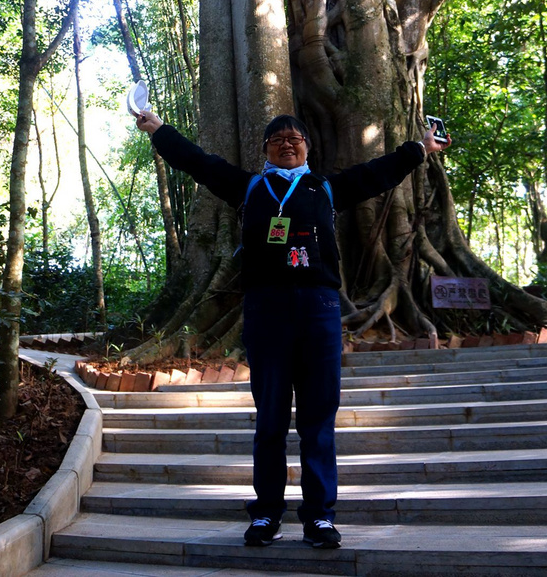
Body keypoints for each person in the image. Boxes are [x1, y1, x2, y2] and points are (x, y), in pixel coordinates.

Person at [136, 108, 450, 549]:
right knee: (270, 419)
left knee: (319, 418)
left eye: (295, 138)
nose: (288, 143)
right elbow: (200, 163)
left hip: (319, 309)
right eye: (278, 139)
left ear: (307, 146)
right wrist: (160, 131)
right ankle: (266, 514)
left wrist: (419, 149)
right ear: (265, 150)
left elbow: (375, 175)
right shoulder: (249, 186)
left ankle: (319, 517)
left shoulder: (324, 188)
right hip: (266, 308)